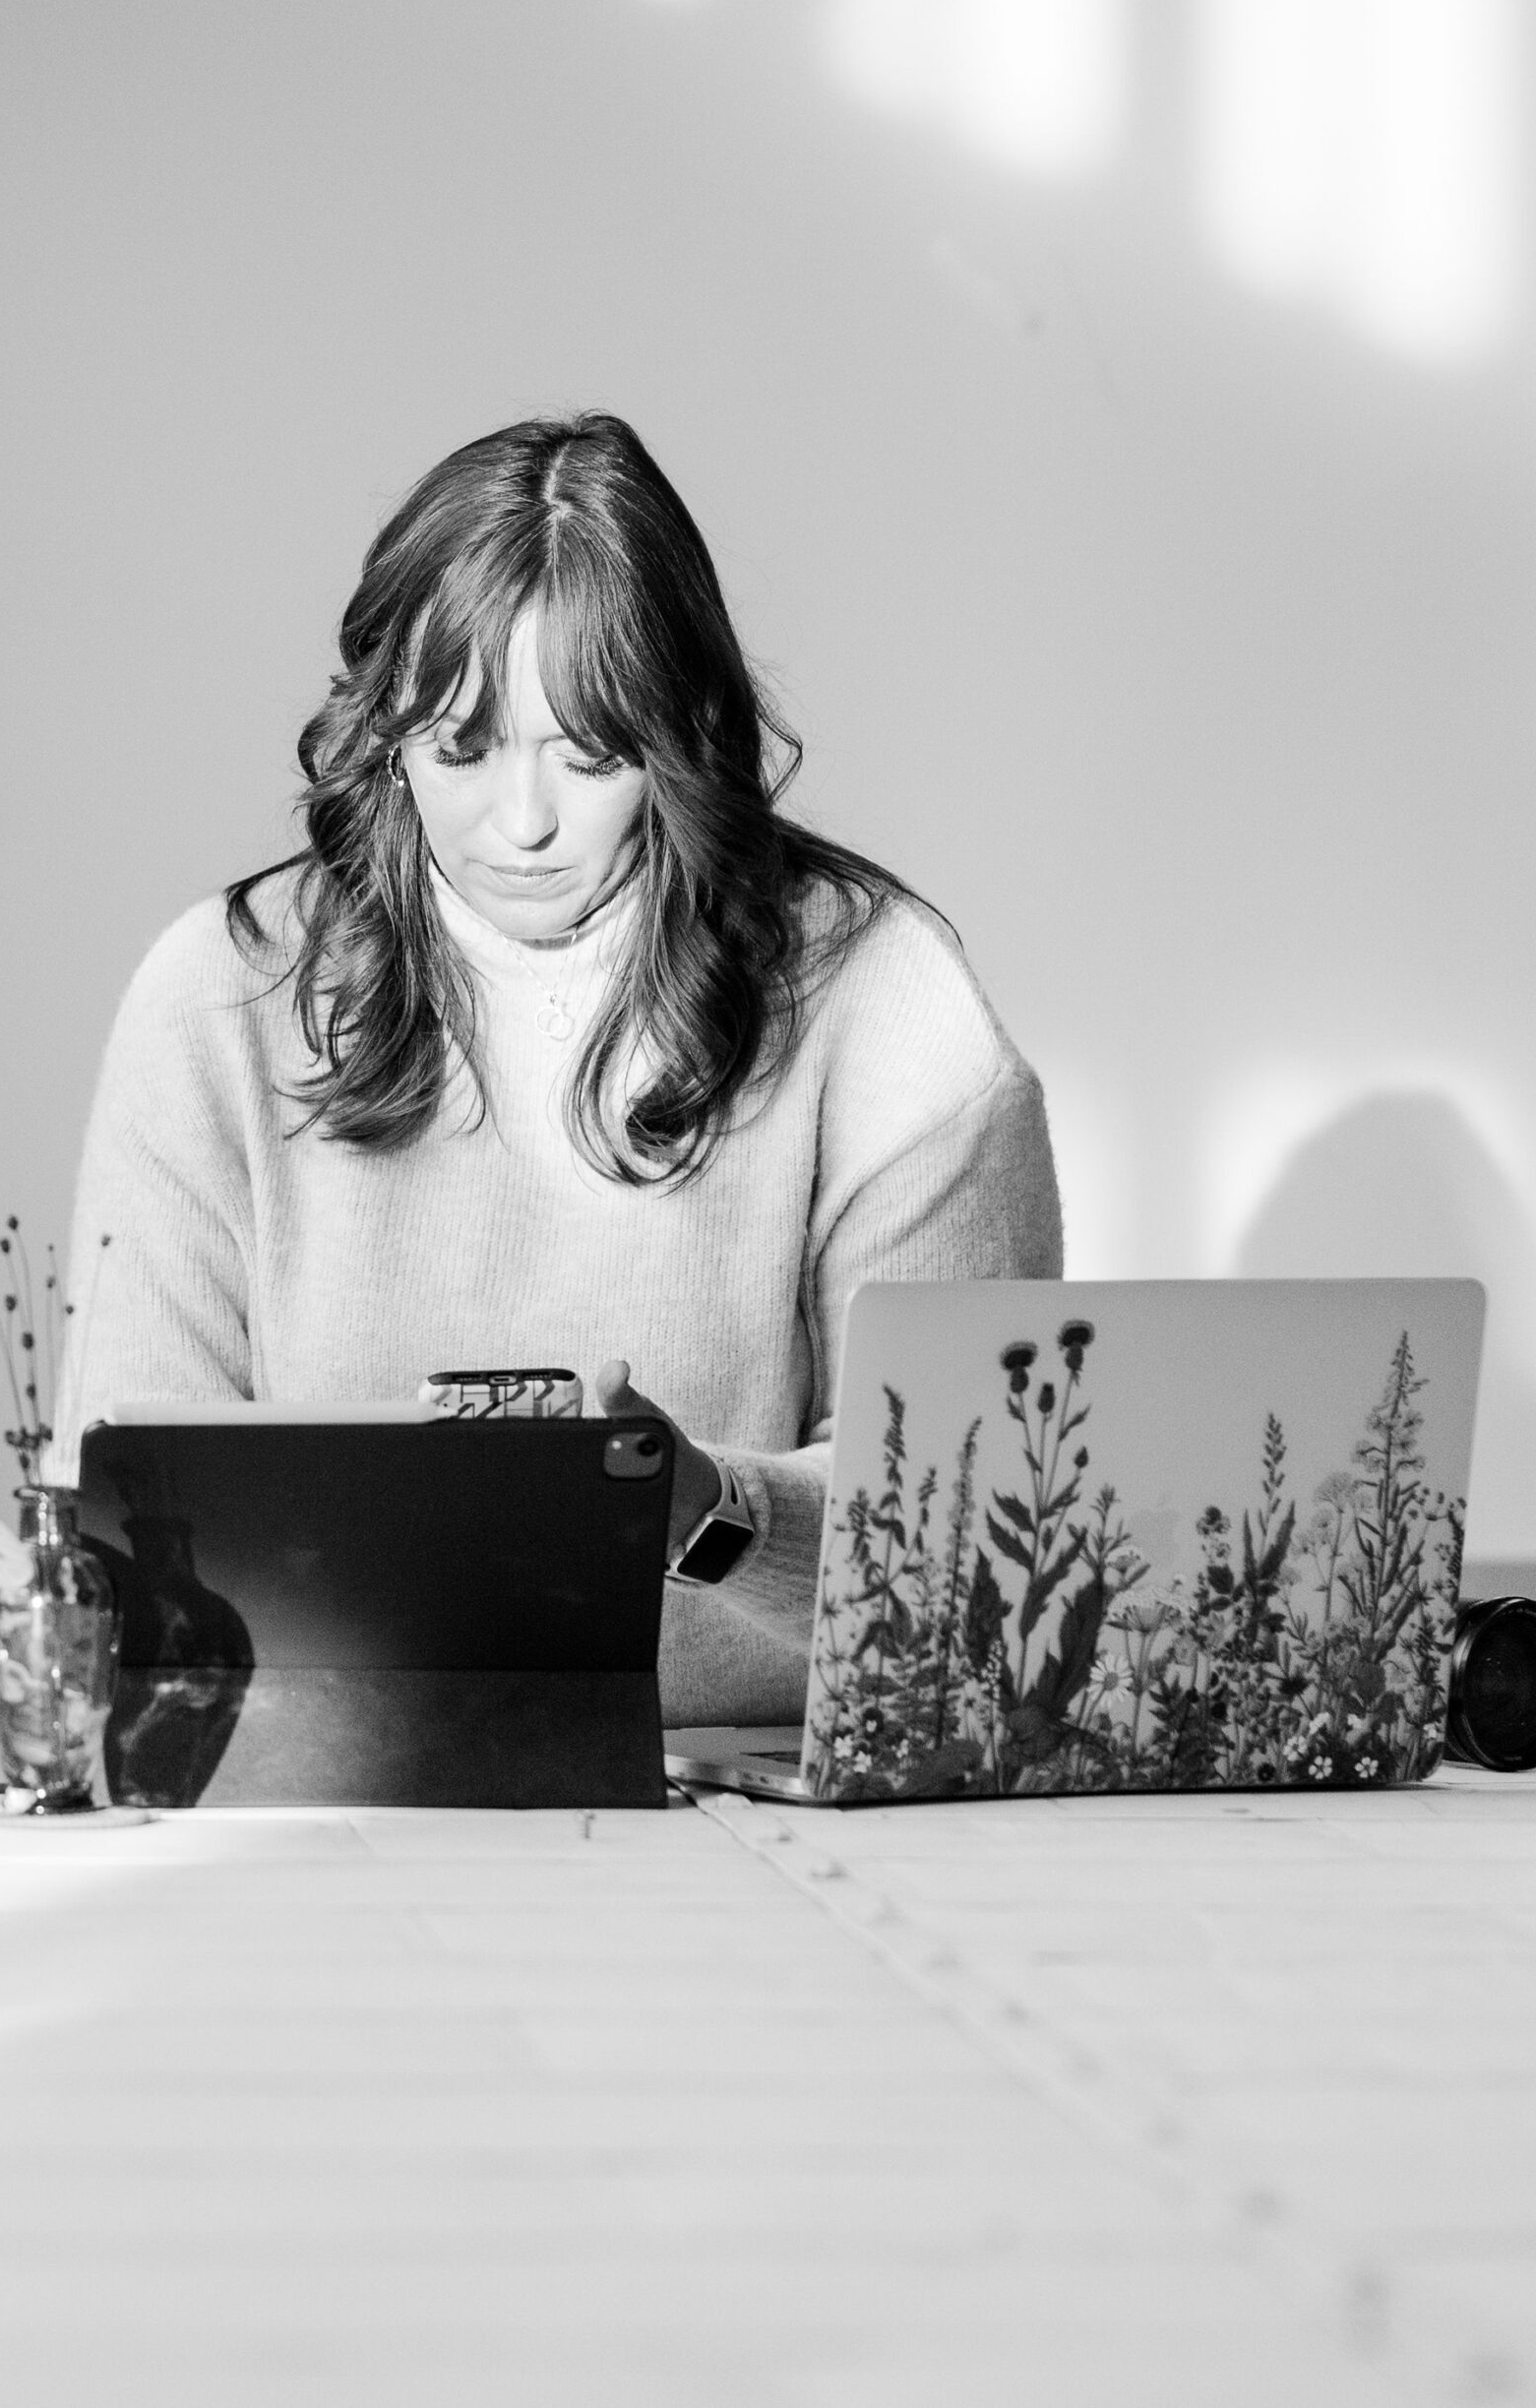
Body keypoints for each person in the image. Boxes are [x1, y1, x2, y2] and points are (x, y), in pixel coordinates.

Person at [54, 413, 1062, 1722]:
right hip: (315, 1797)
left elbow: (978, 1573)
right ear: (380, 728)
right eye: (460, 749)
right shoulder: (222, 998)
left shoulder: (891, 1008)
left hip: (748, 1803)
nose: (521, 823)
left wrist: (704, 1509)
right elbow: (127, 1522)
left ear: (684, 731)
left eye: (589, 757)